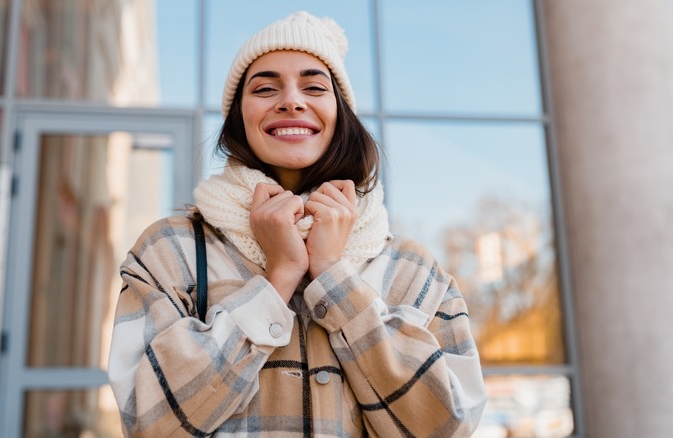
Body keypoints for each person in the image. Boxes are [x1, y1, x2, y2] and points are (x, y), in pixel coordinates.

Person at [108, 11, 486, 437]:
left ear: (341, 114)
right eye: (265, 88)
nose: (291, 101)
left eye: (314, 87)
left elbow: (448, 426)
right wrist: (279, 277)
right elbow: (148, 422)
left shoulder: (413, 269)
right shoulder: (170, 249)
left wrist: (333, 276)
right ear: (239, 118)